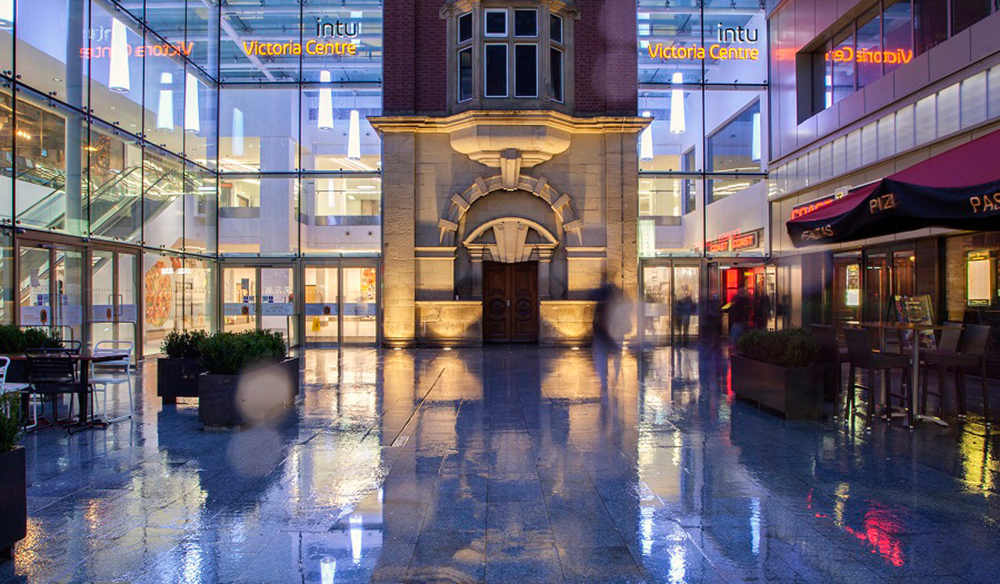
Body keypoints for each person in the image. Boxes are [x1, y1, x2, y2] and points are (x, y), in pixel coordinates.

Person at [592, 284, 632, 391]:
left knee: (605, 358)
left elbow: (596, 322)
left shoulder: (601, 306)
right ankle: (612, 379)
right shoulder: (616, 306)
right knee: (616, 357)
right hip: (612, 336)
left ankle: (605, 382)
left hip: (607, 336)